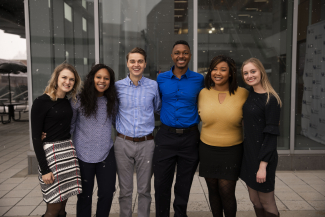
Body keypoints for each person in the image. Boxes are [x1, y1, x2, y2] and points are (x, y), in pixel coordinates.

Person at [154, 40, 204, 217]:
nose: (181, 56)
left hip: (190, 138)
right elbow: (156, 103)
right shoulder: (161, 79)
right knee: (161, 184)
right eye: (177, 52)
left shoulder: (199, 80)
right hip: (165, 136)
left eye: (185, 53)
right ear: (172, 56)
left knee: (184, 184)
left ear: (189, 55)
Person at [198, 55, 249, 217]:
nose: (217, 73)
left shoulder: (243, 94)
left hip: (232, 151)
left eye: (223, 69)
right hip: (207, 149)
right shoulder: (202, 93)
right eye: (214, 69)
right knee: (212, 191)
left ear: (231, 73)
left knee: (226, 192)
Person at [114, 47, 161, 217]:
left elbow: (157, 109)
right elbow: (113, 113)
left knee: (144, 190)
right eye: (132, 61)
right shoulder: (117, 87)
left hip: (147, 143)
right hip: (123, 143)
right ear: (127, 63)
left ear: (145, 63)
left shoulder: (153, 86)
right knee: (125, 190)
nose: (136, 64)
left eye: (140, 61)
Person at [31, 63, 82, 217]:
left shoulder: (68, 102)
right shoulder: (41, 102)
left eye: (71, 79)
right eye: (64, 77)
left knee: (62, 209)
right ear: (56, 79)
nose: (67, 82)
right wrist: (45, 169)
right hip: (51, 156)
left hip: (67, 153)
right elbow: (35, 137)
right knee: (53, 210)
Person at [70, 64, 119, 216]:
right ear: (92, 78)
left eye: (106, 78)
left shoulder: (112, 101)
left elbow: (117, 123)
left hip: (106, 152)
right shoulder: (78, 100)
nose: (102, 81)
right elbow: (70, 125)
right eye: (99, 77)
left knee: (107, 192)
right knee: (85, 195)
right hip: (82, 153)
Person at [239, 58, 282, 217]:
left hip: (264, 157)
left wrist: (263, 166)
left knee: (266, 201)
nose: (249, 75)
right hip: (249, 154)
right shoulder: (249, 94)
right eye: (246, 73)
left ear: (261, 72)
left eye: (253, 71)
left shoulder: (272, 99)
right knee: (254, 199)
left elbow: (271, 135)